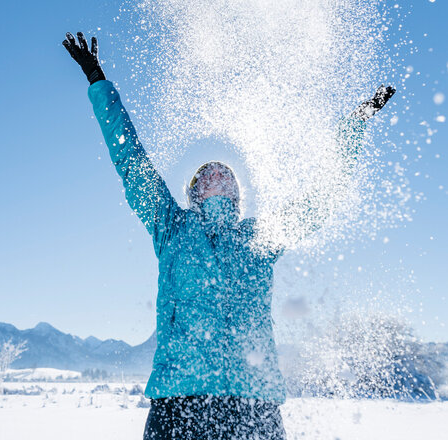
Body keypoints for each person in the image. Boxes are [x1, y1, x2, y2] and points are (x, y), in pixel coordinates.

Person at [62, 32, 395, 439]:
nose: (217, 174)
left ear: (238, 195)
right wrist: (98, 82)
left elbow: (320, 200)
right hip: (177, 403)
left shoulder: (261, 238)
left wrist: (355, 125)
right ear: (193, 192)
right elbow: (130, 160)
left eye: (226, 174)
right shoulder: (171, 226)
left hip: (252, 404)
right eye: (207, 173)